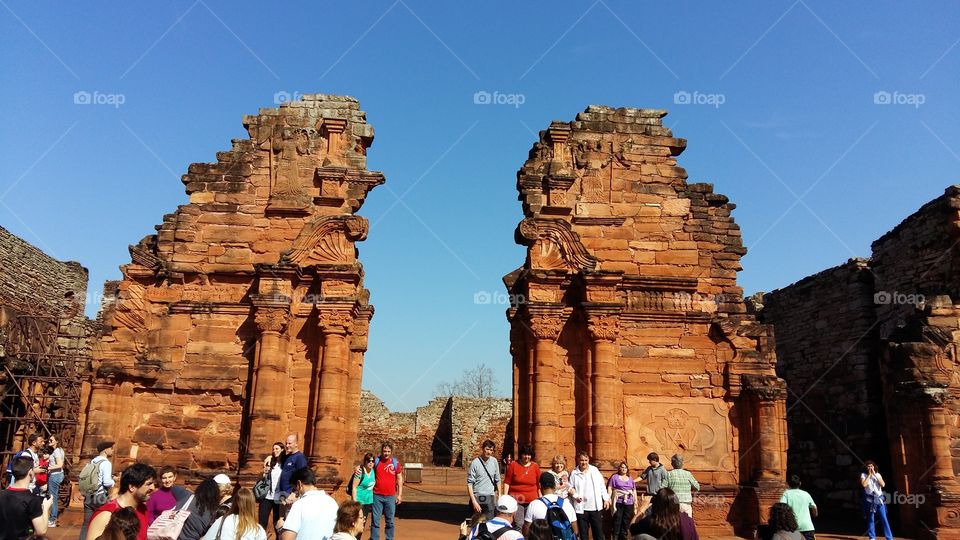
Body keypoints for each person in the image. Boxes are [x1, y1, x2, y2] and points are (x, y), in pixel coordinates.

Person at [86, 463, 156, 540]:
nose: (153, 488)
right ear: (132, 487)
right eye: (148, 484)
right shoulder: (107, 514)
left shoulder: (143, 510)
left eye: (153, 484)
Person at [0, 455, 53, 540]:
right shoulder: (32, 500)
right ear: (30, 472)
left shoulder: (2, 494)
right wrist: (46, 508)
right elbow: (41, 531)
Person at [281, 467, 339, 540]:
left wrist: (280, 528)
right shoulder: (332, 502)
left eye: (295, 489)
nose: (295, 493)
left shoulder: (299, 505)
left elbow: (287, 538)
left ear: (299, 484)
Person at [80, 441, 118, 540]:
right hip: (100, 497)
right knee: (103, 523)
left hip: (89, 495)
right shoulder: (106, 463)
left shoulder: (93, 461)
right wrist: (113, 481)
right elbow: (106, 483)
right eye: (111, 448)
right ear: (105, 450)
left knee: (86, 524)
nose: (112, 450)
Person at [629, 487, 698, 540]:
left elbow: (630, 531)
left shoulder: (650, 521)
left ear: (656, 504)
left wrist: (641, 509)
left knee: (641, 537)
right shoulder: (687, 521)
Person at [523, 472, 578, 539]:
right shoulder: (567, 503)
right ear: (554, 485)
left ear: (540, 485)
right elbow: (575, 530)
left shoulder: (534, 504)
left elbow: (526, 531)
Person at [568, 451, 608, 540]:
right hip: (581, 508)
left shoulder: (594, 470)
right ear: (578, 460)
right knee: (583, 534)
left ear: (588, 460)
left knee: (598, 533)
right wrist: (575, 495)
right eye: (582, 460)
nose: (584, 462)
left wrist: (605, 499)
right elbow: (570, 487)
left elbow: (602, 485)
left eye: (586, 460)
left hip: (595, 507)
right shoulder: (574, 473)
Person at [370, 442, 403, 540]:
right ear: (381, 451)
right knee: (375, 521)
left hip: (390, 496)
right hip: (377, 496)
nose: (386, 453)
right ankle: (374, 538)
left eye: (388, 451)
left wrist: (400, 494)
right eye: (384, 451)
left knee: (390, 521)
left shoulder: (395, 463)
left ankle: (389, 538)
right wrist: (357, 468)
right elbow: (366, 467)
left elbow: (399, 478)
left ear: (391, 452)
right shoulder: (376, 461)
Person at [503, 444, 540, 529]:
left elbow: (538, 484)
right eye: (525, 454)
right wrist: (505, 497)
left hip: (532, 501)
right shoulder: (513, 465)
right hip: (517, 500)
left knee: (530, 525)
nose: (527, 457)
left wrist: (540, 497)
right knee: (519, 524)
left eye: (529, 455)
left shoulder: (535, 467)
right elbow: (507, 482)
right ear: (521, 454)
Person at [468, 440, 501, 520]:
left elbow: (498, 480)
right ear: (482, 449)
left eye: (491, 450)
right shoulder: (475, 463)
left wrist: (499, 495)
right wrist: (473, 501)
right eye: (487, 449)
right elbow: (470, 484)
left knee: (489, 523)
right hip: (477, 496)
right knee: (475, 524)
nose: (489, 452)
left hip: (490, 496)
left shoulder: (494, 461)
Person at [861, 460, 893, 540]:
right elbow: (864, 484)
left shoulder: (878, 474)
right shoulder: (863, 475)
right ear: (866, 468)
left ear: (874, 467)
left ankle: (889, 537)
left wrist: (875, 475)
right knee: (871, 519)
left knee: (884, 518)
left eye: (871, 466)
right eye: (868, 466)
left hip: (879, 500)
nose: (870, 467)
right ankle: (872, 537)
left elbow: (883, 484)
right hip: (870, 500)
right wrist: (869, 475)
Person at [780, 475, 817, 540]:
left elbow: (781, 507)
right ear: (800, 483)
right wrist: (815, 515)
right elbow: (814, 507)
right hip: (807, 527)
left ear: (787, 484)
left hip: (792, 527)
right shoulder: (806, 494)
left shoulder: (786, 494)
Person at [259, 442, 285, 530]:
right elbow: (262, 477)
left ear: (282, 450)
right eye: (273, 449)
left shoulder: (285, 463)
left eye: (277, 449)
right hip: (267, 497)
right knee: (262, 523)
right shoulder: (270, 462)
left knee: (277, 524)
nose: (274, 451)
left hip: (279, 497)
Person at [607, 461, 636, 540]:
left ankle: (623, 537)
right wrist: (608, 498)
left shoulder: (630, 478)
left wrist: (635, 502)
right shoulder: (615, 477)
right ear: (619, 468)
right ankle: (615, 537)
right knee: (617, 520)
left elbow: (634, 490)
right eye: (622, 467)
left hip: (629, 502)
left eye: (625, 468)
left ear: (627, 469)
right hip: (618, 502)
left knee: (626, 521)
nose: (623, 469)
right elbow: (610, 487)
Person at [352, 453, 376, 540]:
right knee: (356, 524)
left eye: (372, 461)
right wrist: (355, 503)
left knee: (362, 524)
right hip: (359, 501)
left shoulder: (374, 471)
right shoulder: (360, 472)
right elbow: (354, 487)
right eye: (368, 461)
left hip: (368, 502)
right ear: (365, 462)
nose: (371, 463)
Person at [279, 434, 308, 503]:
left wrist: (295, 492)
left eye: (289, 443)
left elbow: (302, 476)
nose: (287, 445)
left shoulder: (300, 457)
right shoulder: (288, 457)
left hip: (292, 495)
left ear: (296, 444)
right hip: (283, 495)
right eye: (286, 443)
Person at [45, 434, 66, 528]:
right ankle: (52, 518)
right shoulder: (60, 450)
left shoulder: (57, 451)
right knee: (54, 497)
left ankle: (52, 519)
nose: (49, 442)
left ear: (57, 441)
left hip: (55, 475)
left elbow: (60, 464)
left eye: (51, 440)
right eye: (49, 440)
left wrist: (48, 467)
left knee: (52, 497)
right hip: (58, 475)